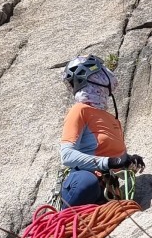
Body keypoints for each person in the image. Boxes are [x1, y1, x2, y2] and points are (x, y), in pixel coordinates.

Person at [59, 54, 144, 208]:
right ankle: (65, 221)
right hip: (85, 182)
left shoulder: (113, 120)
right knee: (87, 183)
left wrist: (128, 160)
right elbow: (66, 155)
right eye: (102, 70)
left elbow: (113, 161)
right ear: (93, 77)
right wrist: (109, 162)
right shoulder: (79, 110)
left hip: (107, 188)